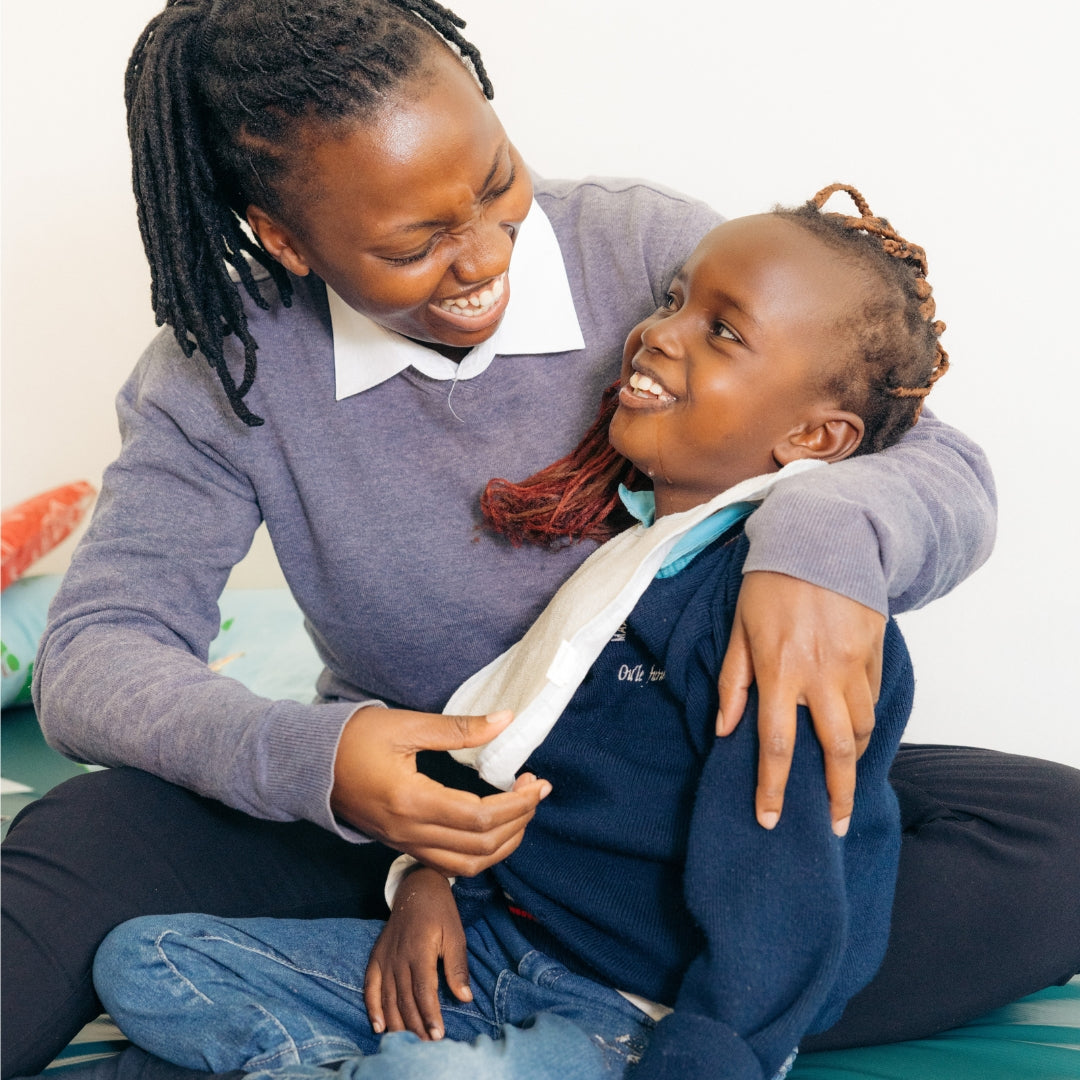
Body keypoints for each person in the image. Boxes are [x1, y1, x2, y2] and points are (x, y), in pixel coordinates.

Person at [1, 1, 1077, 1076]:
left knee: (1051, 836)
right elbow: (96, 655)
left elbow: (924, 456)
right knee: (81, 845)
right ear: (285, 239)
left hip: (677, 808)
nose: (482, 257)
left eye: (495, 182)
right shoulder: (224, 372)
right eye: (415, 243)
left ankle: (644, 993)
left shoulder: (650, 257)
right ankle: (548, 978)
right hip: (428, 822)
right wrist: (329, 764)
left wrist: (822, 532)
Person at [90, 187, 950, 1080]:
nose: (659, 332)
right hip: (493, 949)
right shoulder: (630, 554)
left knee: (421, 1074)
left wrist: (710, 1059)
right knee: (146, 964)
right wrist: (428, 882)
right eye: (672, 300)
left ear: (814, 434)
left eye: (722, 332)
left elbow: (786, 897)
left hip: (622, 1006)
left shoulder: (782, 625)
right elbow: (496, 744)